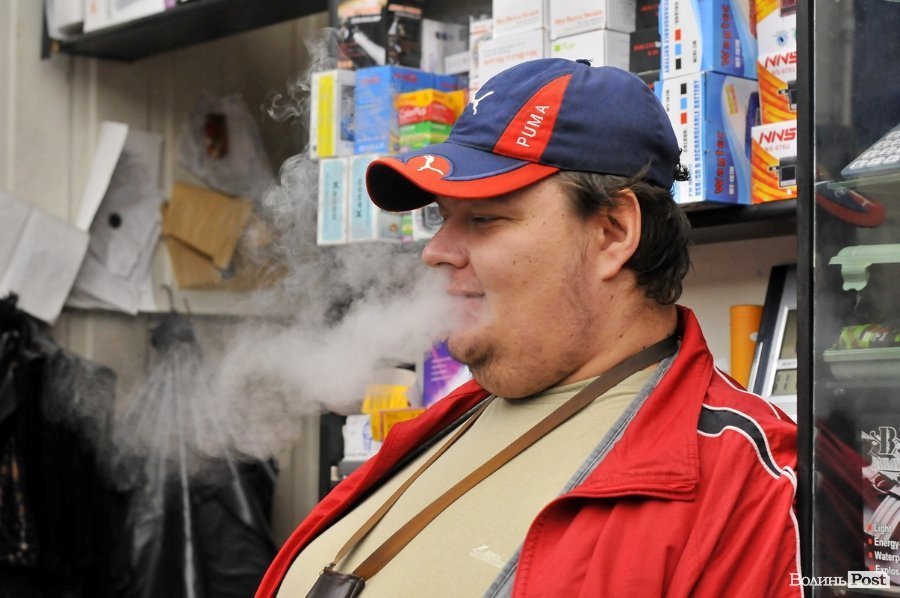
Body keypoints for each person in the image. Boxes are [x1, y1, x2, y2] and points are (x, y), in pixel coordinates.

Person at [257, 58, 800, 597]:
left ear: (613, 232)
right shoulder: (440, 425)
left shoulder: (746, 484)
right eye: (443, 217)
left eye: (484, 218)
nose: (436, 252)